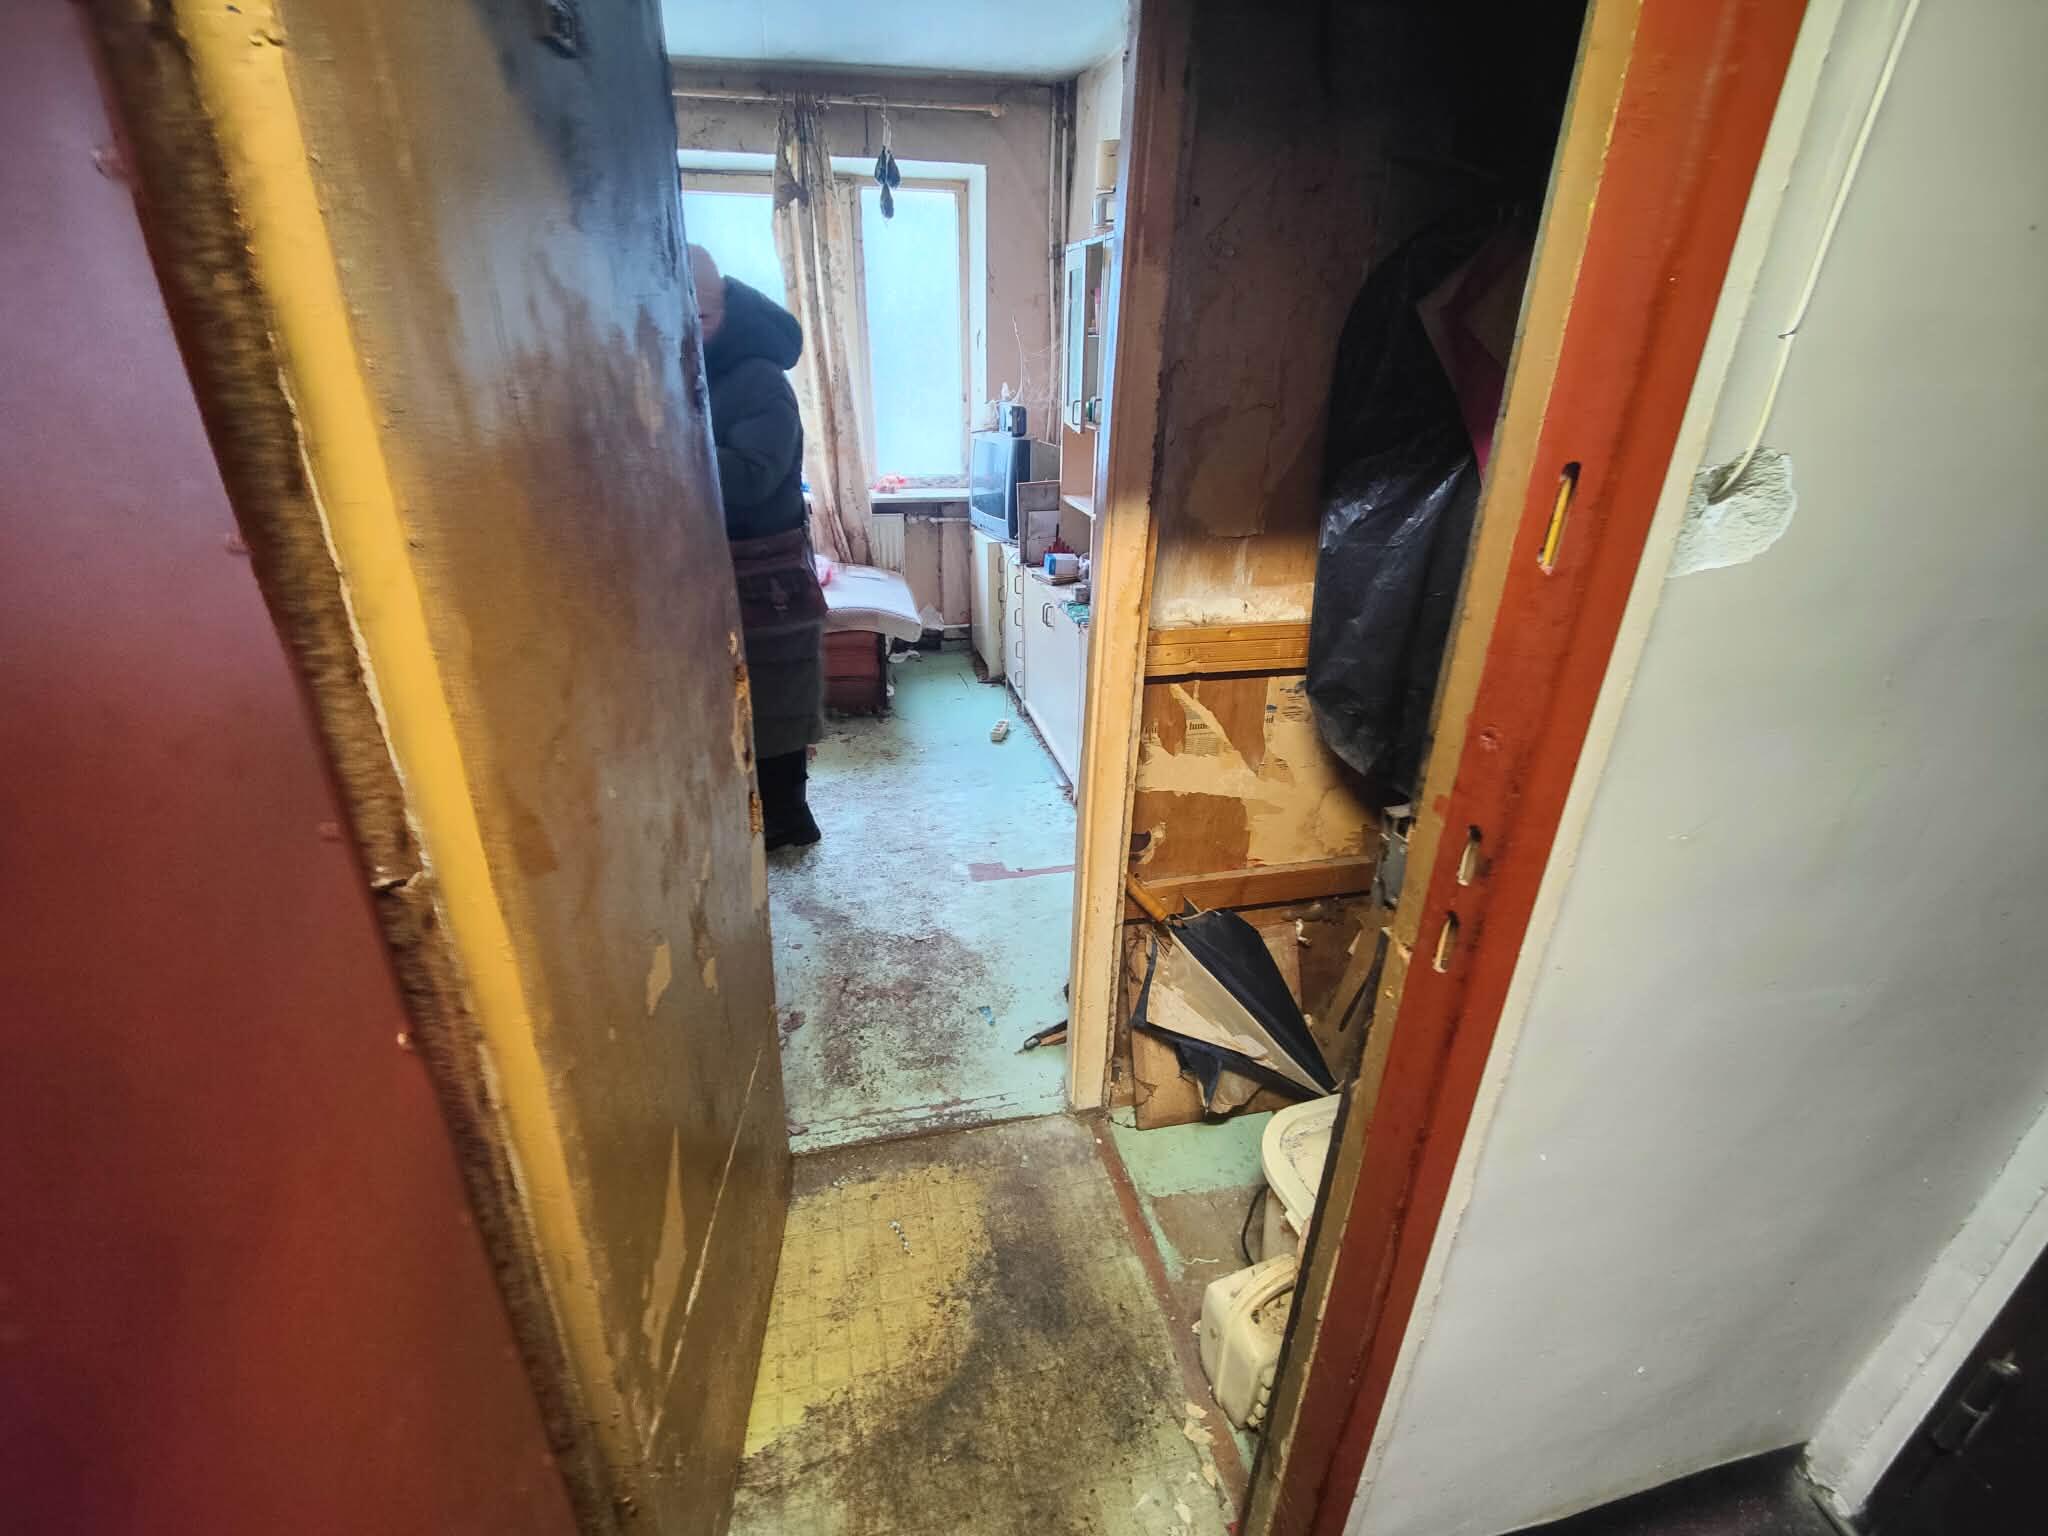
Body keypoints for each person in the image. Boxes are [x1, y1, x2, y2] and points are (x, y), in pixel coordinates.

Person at [691, 244, 826, 850]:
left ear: (725, 307)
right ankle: (772, 820)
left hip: (766, 574)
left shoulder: (759, 380)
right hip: (738, 567)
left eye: (700, 316)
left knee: (776, 699)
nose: (689, 329)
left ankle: (789, 823)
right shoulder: (709, 370)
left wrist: (672, 444)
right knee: (759, 698)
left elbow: (750, 477)